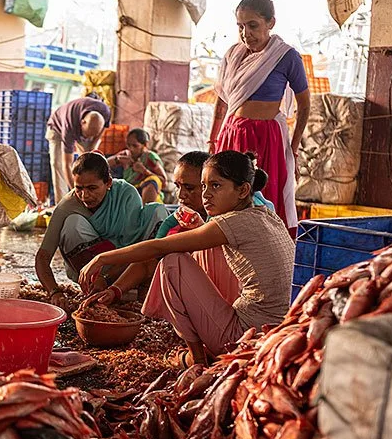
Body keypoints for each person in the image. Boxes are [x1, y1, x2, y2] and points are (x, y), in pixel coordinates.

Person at [80, 151, 295, 368]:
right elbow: (153, 251)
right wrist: (116, 289)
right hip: (279, 335)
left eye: (216, 186)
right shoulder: (266, 215)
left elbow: (158, 247)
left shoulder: (234, 222)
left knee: (172, 263)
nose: (206, 194)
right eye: (203, 186)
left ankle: (197, 358)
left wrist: (101, 258)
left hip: (245, 339)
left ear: (242, 190)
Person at [209, 0, 310, 235]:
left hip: (265, 138)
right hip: (231, 134)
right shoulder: (233, 55)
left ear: (270, 23)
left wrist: (293, 149)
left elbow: (304, 105)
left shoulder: (286, 57)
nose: (246, 34)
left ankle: (268, 250)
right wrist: (213, 140)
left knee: (262, 197)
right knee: (225, 195)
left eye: (253, 25)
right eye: (240, 27)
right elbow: (222, 103)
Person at [35, 152, 166, 311]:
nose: (85, 195)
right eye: (79, 188)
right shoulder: (68, 205)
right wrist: (54, 292)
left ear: (108, 183)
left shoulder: (126, 194)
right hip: (94, 271)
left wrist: (107, 277)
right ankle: (92, 288)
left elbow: (131, 248)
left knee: (158, 212)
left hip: (129, 264)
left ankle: (137, 286)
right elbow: (43, 256)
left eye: (92, 188)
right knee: (72, 224)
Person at [46, 96, 112, 200]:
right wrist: (78, 194)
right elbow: (66, 164)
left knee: (89, 162)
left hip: (81, 127)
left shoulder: (105, 112)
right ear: (83, 123)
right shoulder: (69, 126)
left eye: (93, 135)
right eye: (87, 135)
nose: (89, 138)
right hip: (57, 127)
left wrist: (91, 147)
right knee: (57, 164)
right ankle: (63, 201)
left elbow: (101, 132)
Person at [107, 128, 167, 204]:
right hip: (128, 194)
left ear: (144, 145)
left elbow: (164, 182)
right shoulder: (126, 154)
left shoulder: (150, 157)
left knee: (153, 180)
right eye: (128, 145)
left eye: (135, 146)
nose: (131, 149)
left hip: (145, 193)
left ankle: (146, 211)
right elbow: (103, 164)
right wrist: (118, 160)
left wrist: (145, 171)